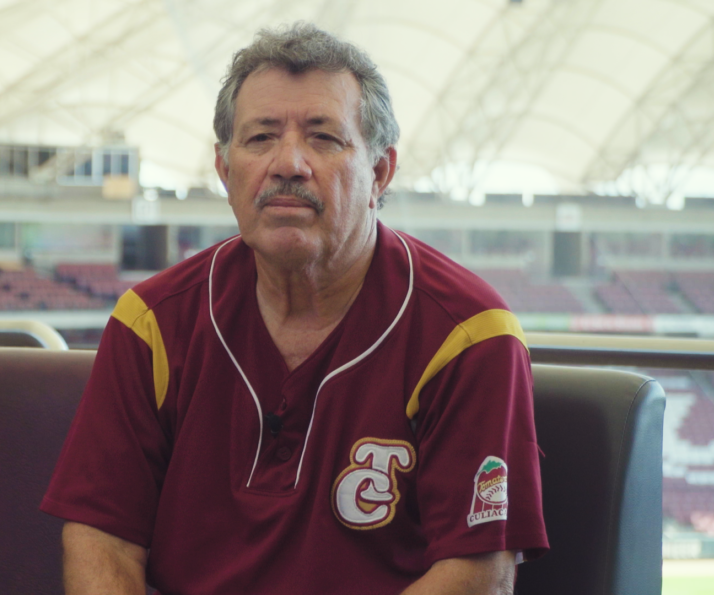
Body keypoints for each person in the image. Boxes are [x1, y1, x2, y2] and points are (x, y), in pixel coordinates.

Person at [42, 22, 548, 595]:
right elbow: (100, 538)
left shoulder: (470, 334)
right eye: (260, 138)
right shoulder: (150, 322)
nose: (288, 163)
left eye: (323, 138)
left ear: (380, 172)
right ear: (224, 170)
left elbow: (478, 574)